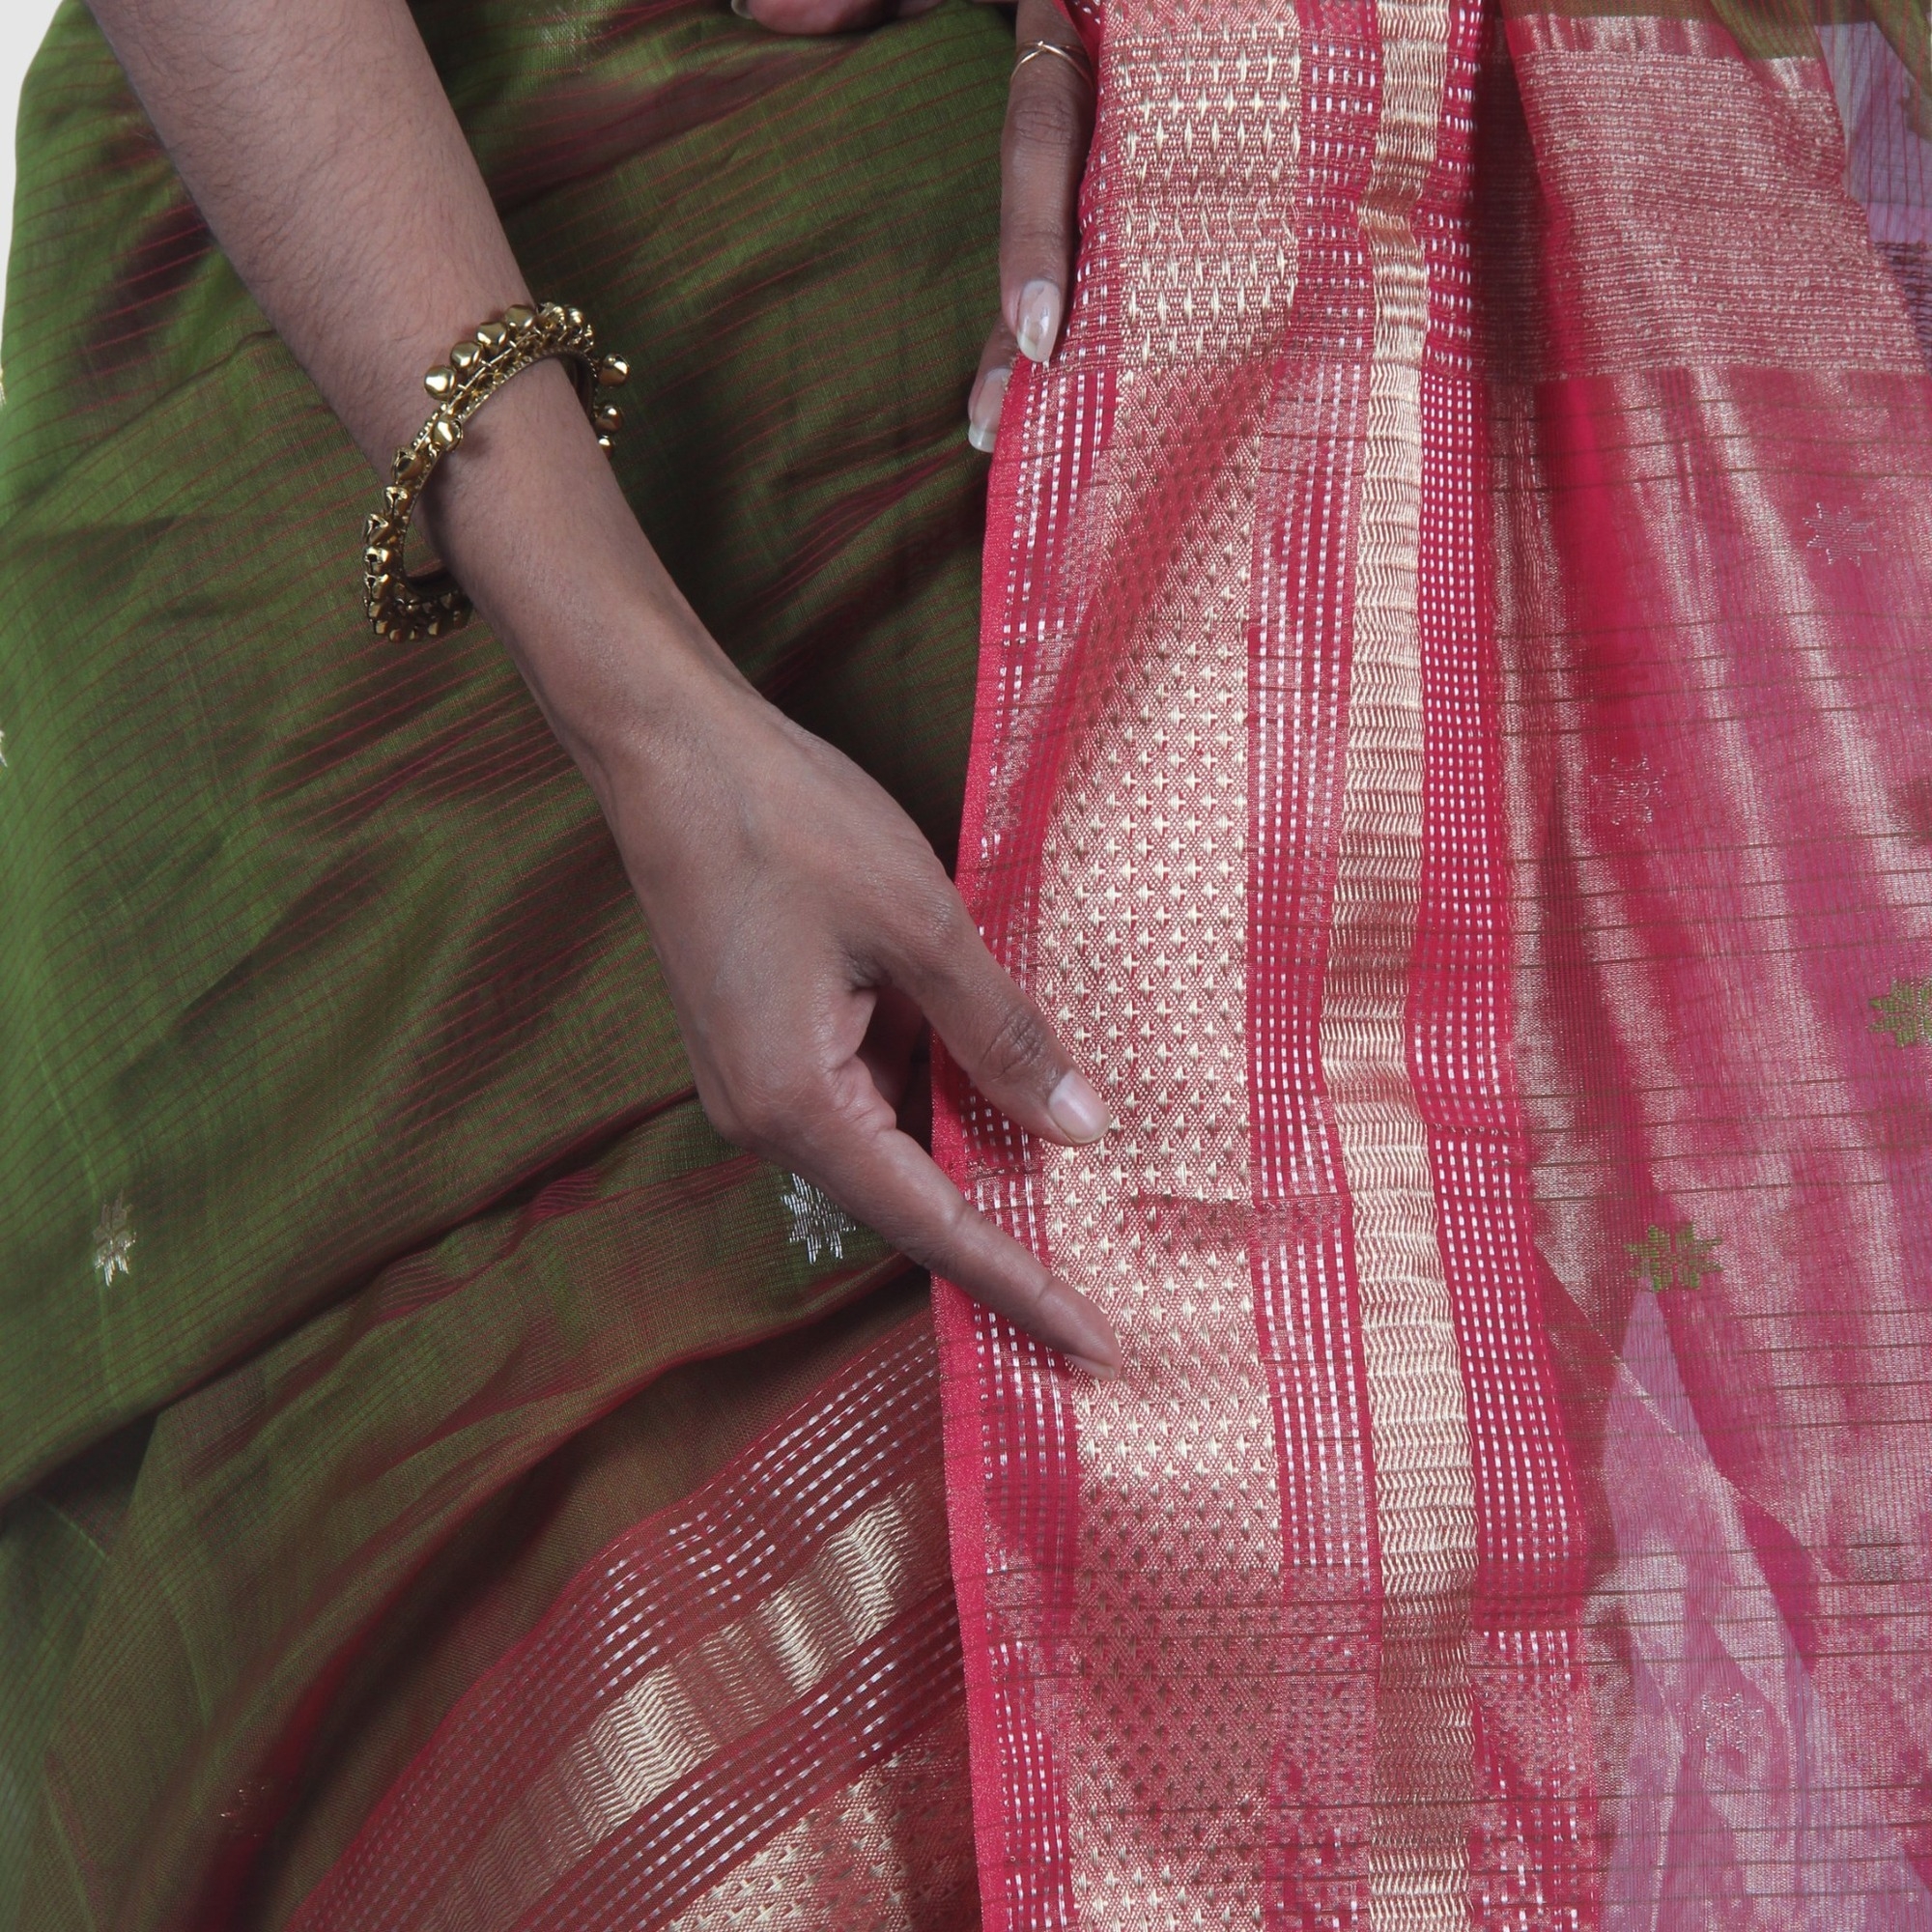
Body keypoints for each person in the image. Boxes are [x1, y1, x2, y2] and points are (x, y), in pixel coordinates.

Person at [7, 0, 1932, 1922]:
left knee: (1456, 1588)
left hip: (1210, 284)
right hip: (402, 305)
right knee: (604, 1731)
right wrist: (637, 709)